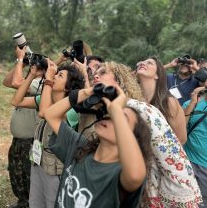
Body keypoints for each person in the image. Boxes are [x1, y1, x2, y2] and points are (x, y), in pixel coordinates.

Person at [81, 61, 202, 207]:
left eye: (103, 73)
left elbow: (173, 159)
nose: (95, 76)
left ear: (119, 80)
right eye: (94, 74)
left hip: (156, 196)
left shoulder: (141, 109)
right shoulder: (104, 112)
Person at [43, 84, 152, 207]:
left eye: (122, 118)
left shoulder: (119, 173)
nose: (109, 116)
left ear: (133, 138)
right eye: (108, 112)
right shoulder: (80, 147)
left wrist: (116, 111)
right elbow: (50, 115)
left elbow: (135, 176)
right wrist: (86, 93)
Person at [11, 59, 85, 208]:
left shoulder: (70, 111)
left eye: (60, 75)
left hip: (55, 167)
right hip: (37, 159)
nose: (55, 75)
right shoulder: (45, 98)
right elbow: (16, 101)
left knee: (52, 203)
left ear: (67, 88)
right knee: (35, 202)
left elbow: (45, 112)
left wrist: (48, 81)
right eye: (56, 74)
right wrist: (32, 75)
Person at [2, 46, 42, 208]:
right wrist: (22, 64)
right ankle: (22, 202)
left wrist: (20, 60)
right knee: (17, 174)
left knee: (30, 176)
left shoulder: (40, 83)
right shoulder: (29, 82)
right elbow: (7, 82)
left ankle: (31, 203)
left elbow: (16, 82)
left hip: (31, 141)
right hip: (18, 139)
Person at [136, 56, 187, 144]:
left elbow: (181, 138)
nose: (142, 63)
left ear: (157, 75)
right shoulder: (133, 99)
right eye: (140, 63)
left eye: (149, 63)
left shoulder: (169, 102)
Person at [183, 76, 207, 207]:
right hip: (186, 160)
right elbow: (180, 129)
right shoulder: (191, 103)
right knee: (185, 200)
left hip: (205, 167)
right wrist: (193, 101)